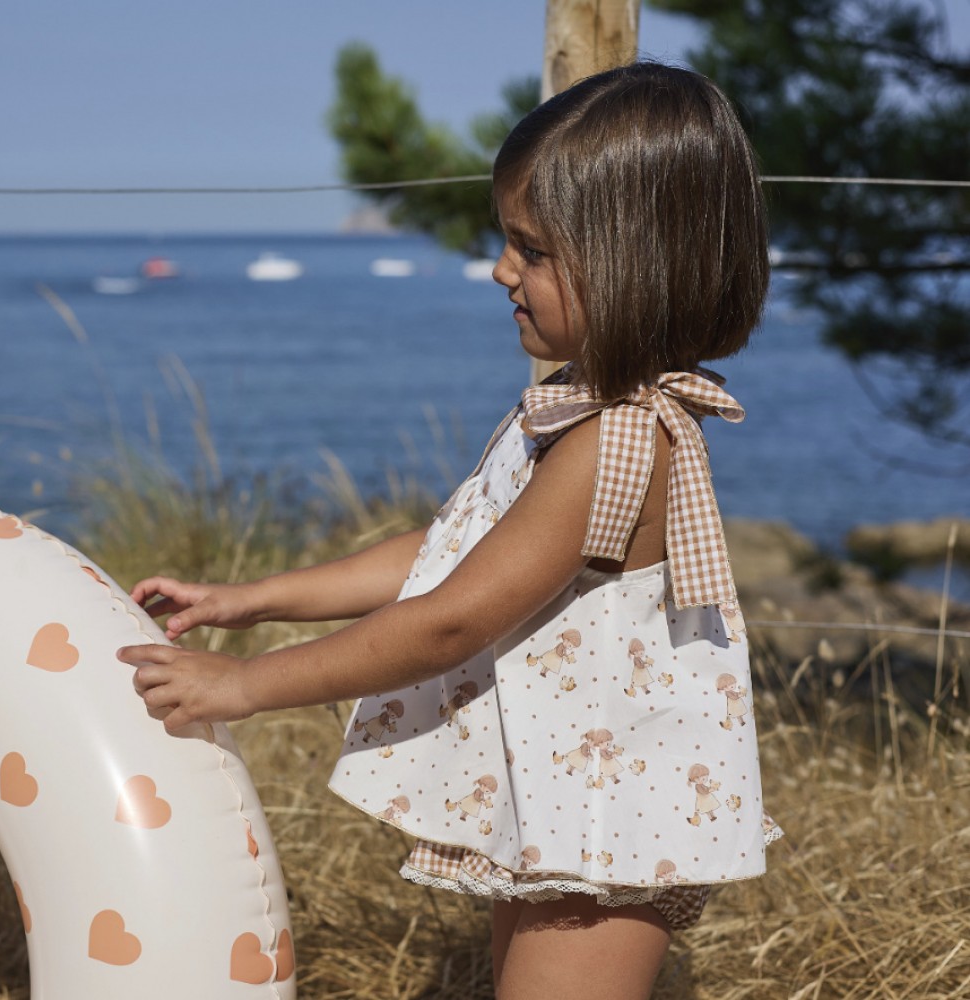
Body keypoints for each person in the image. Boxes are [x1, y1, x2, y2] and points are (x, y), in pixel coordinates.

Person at [116, 62, 781, 1000]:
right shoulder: (579, 405)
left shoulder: (618, 438)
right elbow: (449, 555)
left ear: (635, 262)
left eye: (532, 250)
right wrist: (255, 600)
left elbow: (451, 618)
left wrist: (246, 686)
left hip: (610, 820)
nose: (503, 270)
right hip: (566, 798)